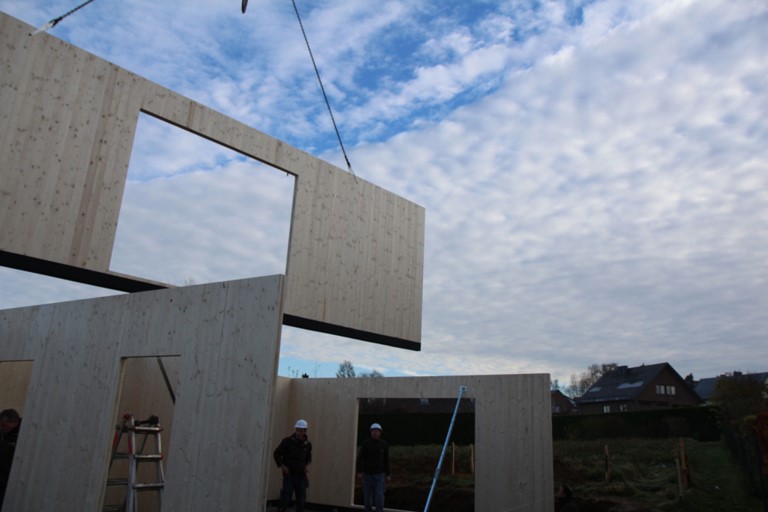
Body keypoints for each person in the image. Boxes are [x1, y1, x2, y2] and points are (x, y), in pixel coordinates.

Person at [273, 419, 312, 512]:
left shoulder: (308, 444)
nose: (298, 433)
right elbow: (276, 454)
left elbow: (308, 457)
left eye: (301, 431)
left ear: (305, 431)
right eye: (297, 430)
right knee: (285, 500)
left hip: (301, 476)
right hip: (289, 475)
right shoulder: (287, 441)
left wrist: (306, 465)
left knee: (301, 501)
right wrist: (282, 466)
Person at [356, 422, 390, 512]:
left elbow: (386, 460)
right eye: (373, 431)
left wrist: (388, 474)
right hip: (367, 474)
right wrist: (359, 471)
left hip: (379, 475)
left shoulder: (384, 445)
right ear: (371, 433)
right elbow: (360, 458)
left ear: (380, 432)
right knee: (367, 496)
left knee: (379, 495)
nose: (375, 433)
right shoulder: (366, 444)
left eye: (376, 431)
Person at [0, 409, 21, 508]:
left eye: (4, 425)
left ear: (15, 423)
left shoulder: (21, 437)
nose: (1, 428)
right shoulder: (3, 435)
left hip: (8, 483)